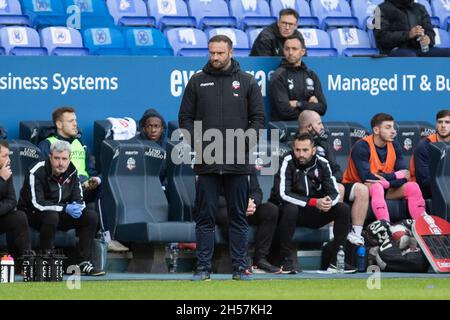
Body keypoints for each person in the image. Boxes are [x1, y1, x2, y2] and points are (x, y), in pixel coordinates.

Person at [179, 35, 266, 281]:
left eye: (219, 53)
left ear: (230, 52)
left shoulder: (248, 82)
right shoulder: (197, 81)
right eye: (211, 53)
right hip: (206, 162)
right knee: (204, 218)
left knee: (238, 217)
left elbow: (258, 119)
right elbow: (185, 118)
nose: (215, 57)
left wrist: (245, 143)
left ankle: (240, 268)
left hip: (238, 163)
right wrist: (198, 143)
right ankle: (203, 268)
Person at [269, 133, 354, 273]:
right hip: (292, 214)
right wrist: (314, 202)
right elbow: (283, 194)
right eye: (297, 150)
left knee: (342, 209)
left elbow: (334, 192)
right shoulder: (287, 161)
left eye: (305, 150)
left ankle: (337, 261)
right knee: (290, 208)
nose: (301, 154)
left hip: (314, 212)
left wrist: (328, 202)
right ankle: (286, 260)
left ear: (313, 150)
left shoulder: (322, 162)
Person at [18, 140, 105, 276]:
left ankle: (82, 262)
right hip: (33, 214)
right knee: (51, 215)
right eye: (57, 158)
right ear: (50, 157)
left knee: (90, 216)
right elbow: (37, 203)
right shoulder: (36, 171)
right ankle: (47, 259)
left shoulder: (72, 171)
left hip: (59, 213)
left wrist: (78, 207)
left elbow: (79, 199)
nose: (61, 163)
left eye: (64, 159)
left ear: (69, 158)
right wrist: (65, 208)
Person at [298, 110, 368, 245]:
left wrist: (330, 180)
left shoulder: (323, 143)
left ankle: (355, 236)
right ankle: (331, 237)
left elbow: (336, 169)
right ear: (308, 127)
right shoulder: (298, 145)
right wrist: (326, 182)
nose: (322, 127)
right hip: (314, 188)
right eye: (319, 123)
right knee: (339, 188)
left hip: (330, 182)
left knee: (362, 190)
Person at [342, 113, 428, 222]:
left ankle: (422, 226)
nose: (393, 131)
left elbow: (405, 175)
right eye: (388, 127)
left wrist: (388, 183)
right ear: (376, 130)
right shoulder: (362, 146)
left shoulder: (395, 145)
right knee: (376, 186)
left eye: (393, 127)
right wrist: (395, 175)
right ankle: (385, 226)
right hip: (359, 187)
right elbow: (367, 177)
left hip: (385, 186)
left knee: (413, 186)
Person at [215, 170, 281, 273]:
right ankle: (242, 259)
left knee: (270, 210)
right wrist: (239, 203)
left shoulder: (246, 165)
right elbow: (213, 196)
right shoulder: (218, 166)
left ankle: (260, 260)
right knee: (225, 215)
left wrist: (252, 202)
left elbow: (257, 191)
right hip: (227, 209)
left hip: (246, 208)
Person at [38, 106, 101, 204]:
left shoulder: (81, 144)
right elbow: (43, 176)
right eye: (71, 121)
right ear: (59, 124)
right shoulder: (47, 144)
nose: (75, 124)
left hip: (86, 191)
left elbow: (91, 171)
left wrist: (95, 180)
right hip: (61, 193)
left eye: (75, 120)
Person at [269, 34, 327, 121]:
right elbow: (285, 111)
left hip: (308, 129)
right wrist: (310, 106)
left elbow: (322, 108)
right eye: (287, 49)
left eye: (294, 49)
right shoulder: (278, 76)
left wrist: (298, 104)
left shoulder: (311, 75)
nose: (290, 52)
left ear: (302, 52)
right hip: (283, 129)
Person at [374, 0, 450, 57]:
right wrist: (408, 35)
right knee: (410, 56)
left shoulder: (420, 8)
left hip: (420, 49)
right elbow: (380, 37)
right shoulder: (379, 9)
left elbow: (430, 31)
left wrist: (428, 39)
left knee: (447, 53)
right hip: (394, 50)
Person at [0, 141, 31, 259]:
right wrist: (2, 179)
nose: (9, 159)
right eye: (4, 156)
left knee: (19, 216)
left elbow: (12, 200)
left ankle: (25, 260)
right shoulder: (4, 174)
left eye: (9, 155)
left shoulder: (6, 171)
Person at [411, 109, 450, 198]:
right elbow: (423, 180)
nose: (443, 126)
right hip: (424, 189)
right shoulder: (424, 146)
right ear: (436, 125)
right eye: (440, 122)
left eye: (447, 122)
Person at [137, 108, 168, 186]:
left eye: (156, 126)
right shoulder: (133, 144)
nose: (153, 130)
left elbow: (173, 173)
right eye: (149, 126)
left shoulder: (170, 146)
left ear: (162, 129)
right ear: (144, 128)